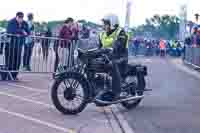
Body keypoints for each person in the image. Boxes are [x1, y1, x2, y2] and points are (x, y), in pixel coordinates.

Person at [96, 14, 129, 101]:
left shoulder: (121, 32)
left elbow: (119, 46)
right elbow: (99, 48)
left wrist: (109, 49)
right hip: (107, 57)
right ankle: (96, 88)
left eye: (106, 23)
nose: (103, 25)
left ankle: (118, 91)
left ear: (112, 24)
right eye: (104, 23)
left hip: (120, 57)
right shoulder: (102, 34)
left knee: (112, 64)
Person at [5, 12, 29, 80]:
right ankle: (9, 75)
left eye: (21, 18)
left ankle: (15, 75)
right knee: (10, 60)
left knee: (17, 60)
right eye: (19, 18)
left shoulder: (24, 23)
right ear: (16, 17)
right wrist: (21, 31)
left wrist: (24, 32)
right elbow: (10, 31)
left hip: (19, 45)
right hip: (10, 45)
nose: (20, 19)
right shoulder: (11, 22)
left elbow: (28, 31)